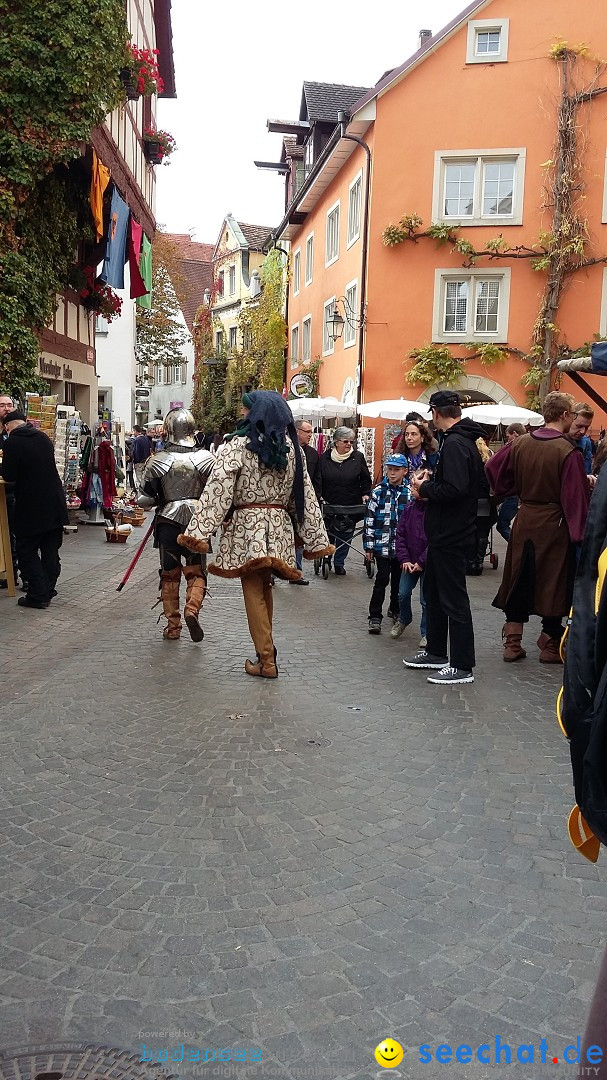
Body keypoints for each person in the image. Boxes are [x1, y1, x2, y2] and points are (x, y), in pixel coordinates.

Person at [178, 391, 332, 678]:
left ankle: (267, 659)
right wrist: (314, 538)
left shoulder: (238, 447)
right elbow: (305, 496)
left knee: (253, 589)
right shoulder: (291, 449)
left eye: (247, 410)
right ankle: (265, 654)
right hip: (279, 527)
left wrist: (199, 531)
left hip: (247, 527)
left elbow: (217, 492)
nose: (244, 414)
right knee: (265, 586)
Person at [486, 391, 589, 664]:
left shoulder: (520, 443)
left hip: (525, 518)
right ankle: (551, 644)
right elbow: (574, 498)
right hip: (554, 524)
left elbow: (494, 468)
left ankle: (512, 642)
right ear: (565, 415)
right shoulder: (568, 451)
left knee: (520, 578)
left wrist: (512, 489)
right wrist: (580, 535)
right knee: (554, 582)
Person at [403, 390, 486, 685]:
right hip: (443, 533)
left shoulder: (455, 444)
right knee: (436, 595)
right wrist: (430, 483)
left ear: (437, 413)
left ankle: (462, 665)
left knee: (453, 599)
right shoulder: (460, 441)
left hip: (452, 533)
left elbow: (456, 490)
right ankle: (436, 651)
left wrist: (423, 490)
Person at [138, 408, 214, 642]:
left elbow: (147, 498)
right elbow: (215, 493)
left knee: (169, 575)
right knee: (196, 571)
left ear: (168, 430)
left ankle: (173, 627)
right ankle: (192, 609)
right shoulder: (206, 459)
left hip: (168, 521)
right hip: (197, 521)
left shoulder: (157, 460)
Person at [0, 411, 68, 608]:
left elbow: (10, 475)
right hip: (54, 503)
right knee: (50, 549)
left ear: (8, 426)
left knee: (26, 550)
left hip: (31, 506)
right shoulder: (42, 437)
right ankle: (48, 588)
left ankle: (38, 594)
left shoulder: (12, 443)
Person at [363, 453, 409, 633]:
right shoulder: (378, 491)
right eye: (389, 469)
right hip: (381, 545)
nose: (392, 473)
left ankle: (395, 609)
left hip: (401, 547)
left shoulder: (409, 492)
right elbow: (369, 519)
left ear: (404, 471)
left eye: (396, 470)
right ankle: (375, 616)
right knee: (381, 579)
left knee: (398, 581)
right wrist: (369, 545)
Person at [320, 426, 372, 576]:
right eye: (345, 441)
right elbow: (319, 479)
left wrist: (365, 494)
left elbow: (365, 479)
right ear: (336, 442)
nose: (349, 444)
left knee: (346, 532)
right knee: (329, 532)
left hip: (351, 503)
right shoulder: (325, 458)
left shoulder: (358, 457)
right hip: (330, 502)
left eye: (351, 441)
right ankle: (327, 557)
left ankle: (339, 562)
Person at [391, 466, 429, 644]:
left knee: (425, 599)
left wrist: (422, 561)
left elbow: (434, 540)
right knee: (402, 593)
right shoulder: (409, 508)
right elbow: (401, 535)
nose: (411, 490)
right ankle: (404, 618)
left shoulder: (433, 510)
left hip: (427, 563)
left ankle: (426, 632)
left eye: (415, 487)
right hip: (409, 561)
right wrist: (404, 558)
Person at [292, 419, 322, 586]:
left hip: (305, 502)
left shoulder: (312, 454)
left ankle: (296, 572)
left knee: (300, 537)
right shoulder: (287, 450)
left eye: (311, 431)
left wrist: (315, 497)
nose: (311, 435)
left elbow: (317, 477)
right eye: (307, 431)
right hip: (288, 502)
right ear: (297, 431)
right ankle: (274, 573)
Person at [466, 436, 496, 575]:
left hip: (472, 499)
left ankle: (471, 562)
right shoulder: (489, 460)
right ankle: (479, 563)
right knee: (482, 531)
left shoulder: (470, 460)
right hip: (484, 499)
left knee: (471, 529)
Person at [0, 393, 19, 588]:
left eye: (9, 405)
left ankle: (15, 573)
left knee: (15, 533)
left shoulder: (17, 433)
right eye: (2, 405)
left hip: (13, 491)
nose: (6, 408)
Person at [495, 423, 525, 541]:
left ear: (515, 434)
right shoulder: (525, 447)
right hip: (517, 493)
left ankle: (517, 548)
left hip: (512, 493)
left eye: (509, 436)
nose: (508, 439)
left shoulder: (516, 448)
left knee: (502, 525)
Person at [569, 402, 595, 474]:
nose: (583, 432)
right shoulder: (557, 441)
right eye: (579, 426)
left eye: (586, 427)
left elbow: (587, 471)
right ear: (569, 420)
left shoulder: (586, 442)